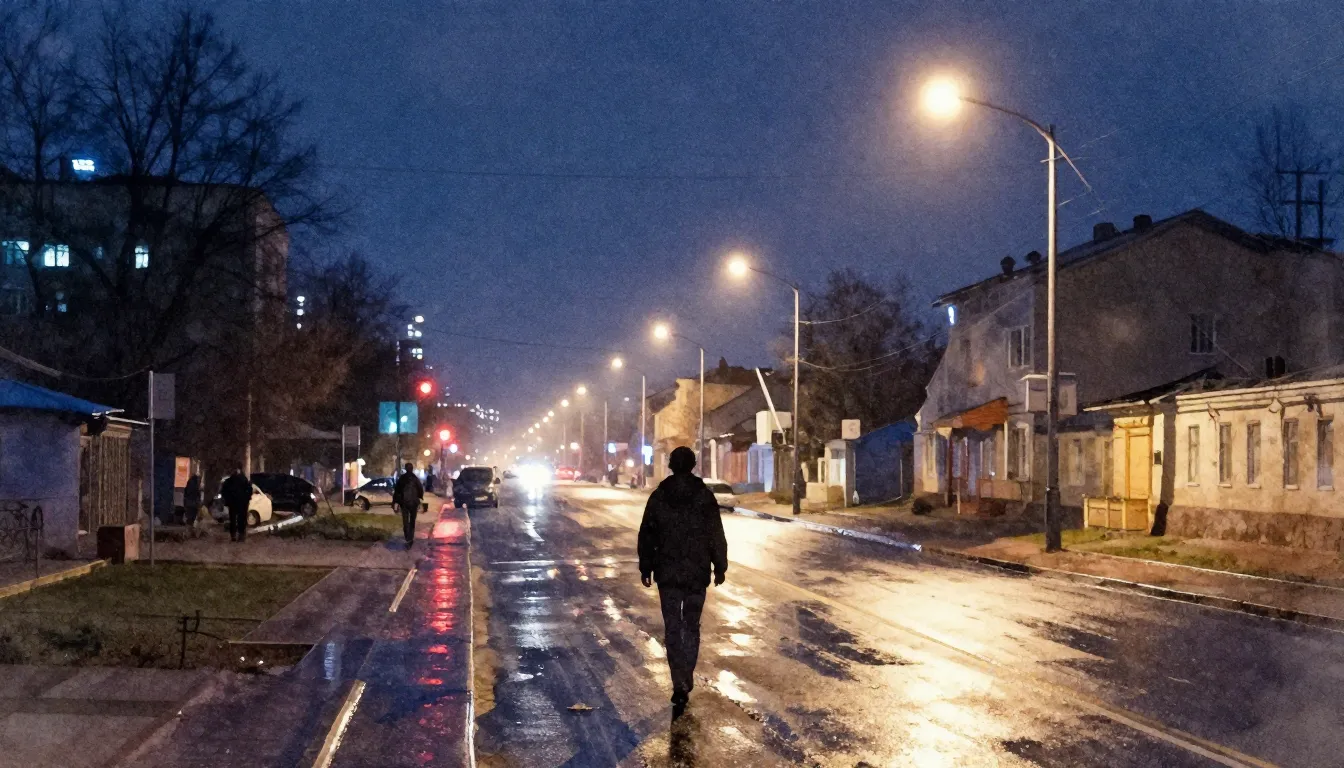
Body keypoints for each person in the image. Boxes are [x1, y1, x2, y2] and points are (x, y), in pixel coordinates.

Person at [638, 446, 728, 717]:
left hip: (668, 574)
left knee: (673, 628)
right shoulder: (704, 497)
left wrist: (646, 567)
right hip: (696, 574)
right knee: (691, 626)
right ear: (693, 464)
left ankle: (678, 679)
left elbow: (647, 534)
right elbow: (716, 533)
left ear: (670, 465)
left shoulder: (659, 497)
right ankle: (686, 675)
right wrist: (719, 566)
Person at [393, 462, 424, 547]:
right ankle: (411, 537)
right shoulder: (415, 478)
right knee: (412, 520)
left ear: (406, 469)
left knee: (405, 520)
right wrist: (419, 497)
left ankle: (407, 537)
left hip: (404, 502)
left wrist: (395, 501)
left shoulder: (402, 478)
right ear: (412, 469)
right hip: (414, 502)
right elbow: (420, 489)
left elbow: (397, 490)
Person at [219, 467, 253, 543]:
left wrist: (227, 500)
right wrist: (247, 499)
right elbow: (249, 489)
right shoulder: (244, 479)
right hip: (242, 503)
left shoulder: (229, 481)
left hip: (233, 503)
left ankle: (233, 535)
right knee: (241, 519)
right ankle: (241, 535)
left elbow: (224, 492)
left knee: (233, 519)